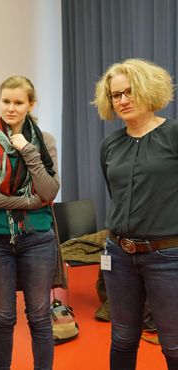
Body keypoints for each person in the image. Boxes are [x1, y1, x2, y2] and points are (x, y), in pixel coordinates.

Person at [93, 58, 178, 369]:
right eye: (116, 95)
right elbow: (117, 195)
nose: (123, 100)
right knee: (123, 338)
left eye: (130, 92)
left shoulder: (173, 134)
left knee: (174, 343)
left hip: (168, 258)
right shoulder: (110, 144)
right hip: (119, 255)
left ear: (147, 90)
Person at [0, 76, 60, 370]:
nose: (11, 108)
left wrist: (27, 150)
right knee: (3, 316)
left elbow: (49, 191)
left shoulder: (44, 141)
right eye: (6, 101)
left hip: (37, 238)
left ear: (30, 104)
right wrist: (27, 203)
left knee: (38, 314)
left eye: (18, 102)